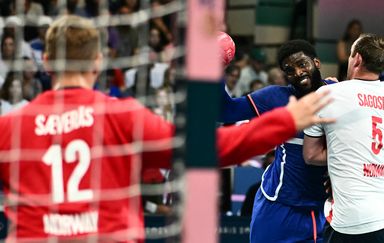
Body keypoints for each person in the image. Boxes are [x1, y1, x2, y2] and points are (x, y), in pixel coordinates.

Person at [0, 15, 333, 241]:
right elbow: (210, 147)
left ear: (45, 62)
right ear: (100, 61)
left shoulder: (10, 126)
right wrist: (288, 120)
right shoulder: (123, 116)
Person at [221, 39, 334, 243]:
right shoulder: (275, 97)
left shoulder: (338, 93)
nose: (298, 72)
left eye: (302, 64)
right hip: (277, 207)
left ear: (316, 62)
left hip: (318, 212)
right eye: (289, 70)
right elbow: (225, 111)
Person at [303, 34, 384, 243]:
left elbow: (310, 155)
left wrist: (343, 155)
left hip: (351, 222)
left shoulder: (328, 94)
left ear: (358, 59)